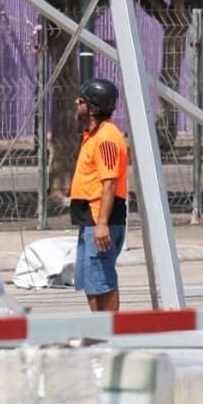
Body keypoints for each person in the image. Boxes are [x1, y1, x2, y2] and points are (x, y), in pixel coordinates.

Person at [69, 76, 129, 312]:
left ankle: (112, 329)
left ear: (92, 108)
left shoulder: (106, 137)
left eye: (81, 100)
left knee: (102, 280)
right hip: (90, 219)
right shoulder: (94, 136)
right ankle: (99, 327)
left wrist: (102, 224)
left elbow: (109, 183)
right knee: (92, 281)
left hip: (101, 219)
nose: (77, 103)